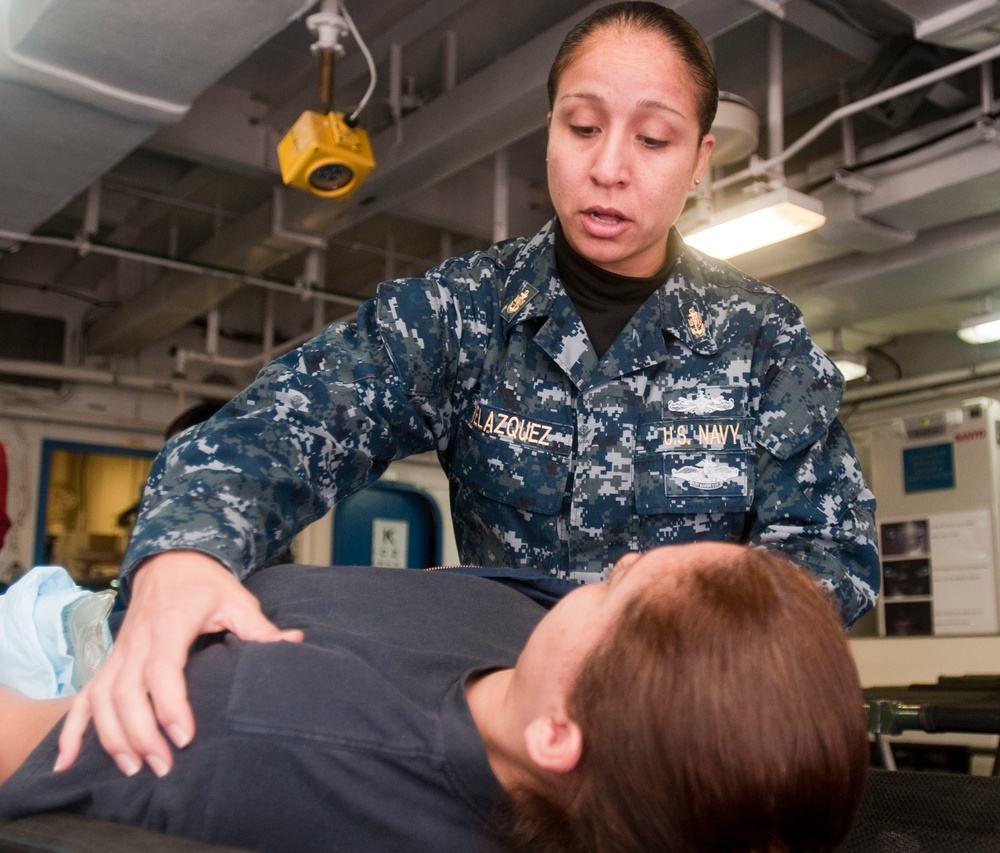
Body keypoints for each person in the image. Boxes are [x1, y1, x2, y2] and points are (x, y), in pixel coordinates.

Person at [57, 1, 880, 778]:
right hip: (504, 729)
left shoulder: (762, 340)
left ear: (701, 159)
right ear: (549, 129)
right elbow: (281, 426)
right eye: (582, 126)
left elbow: (829, 558)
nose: (607, 167)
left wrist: (688, 637)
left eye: (655, 139)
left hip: (687, 735)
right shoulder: (461, 315)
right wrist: (184, 550)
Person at [1, 543, 869, 853]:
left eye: (613, 586)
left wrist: (169, 569)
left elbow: (21, 740)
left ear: (559, 730)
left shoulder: (259, 724)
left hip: (49, 651)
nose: (612, 565)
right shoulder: (530, 640)